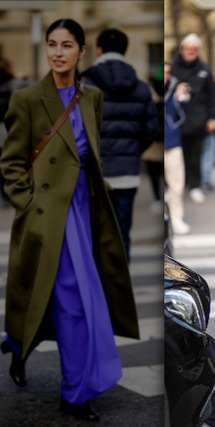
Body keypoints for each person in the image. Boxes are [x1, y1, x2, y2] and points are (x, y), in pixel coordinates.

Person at [0, 18, 140, 421]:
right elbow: (10, 162)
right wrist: (27, 204)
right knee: (73, 301)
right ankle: (75, 392)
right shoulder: (26, 99)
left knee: (81, 298)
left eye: (67, 45)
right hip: (47, 217)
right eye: (52, 44)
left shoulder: (91, 96)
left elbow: (90, 154)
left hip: (86, 211)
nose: (58, 52)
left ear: (83, 52)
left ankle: (17, 339)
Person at [81, 28, 159, 260]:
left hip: (92, 172)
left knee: (92, 235)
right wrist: (133, 151)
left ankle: (95, 289)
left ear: (99, 50)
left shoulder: (82, 84)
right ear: (125, 51)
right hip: (127, 172)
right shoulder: (141, 87)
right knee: (122, 233)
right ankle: (120, 287)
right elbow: (151, 129)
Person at [171, 33, 215, 204]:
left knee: (196, 156)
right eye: (187, 48)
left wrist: (212, 118)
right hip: (177, 122)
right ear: (182, 49)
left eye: (194, 49)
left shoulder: (205, 69)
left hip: (199, 120)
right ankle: (179, 186)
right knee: (178, 157)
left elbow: (213, 96)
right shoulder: (173, 68)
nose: (190, 51)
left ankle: (195, 186)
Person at [164, 62, 191, 235]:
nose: (166, 75)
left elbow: (183, 113)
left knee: (176, 184)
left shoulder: (175, 91)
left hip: (172, 142)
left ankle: (176, 218)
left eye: (168, 72)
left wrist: (182, 96)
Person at [0, 58, 17, 208]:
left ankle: (3, 196)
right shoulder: (12, 83)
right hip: (10, 127)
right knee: (15, 163)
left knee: (1, 164)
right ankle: (13, 194)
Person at [200, 78, 215, 193]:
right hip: (207, 129)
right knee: (207, 157)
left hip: (198, 129)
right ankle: (205, 182)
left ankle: (201, 182)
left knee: (204, 156)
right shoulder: (211, 92)